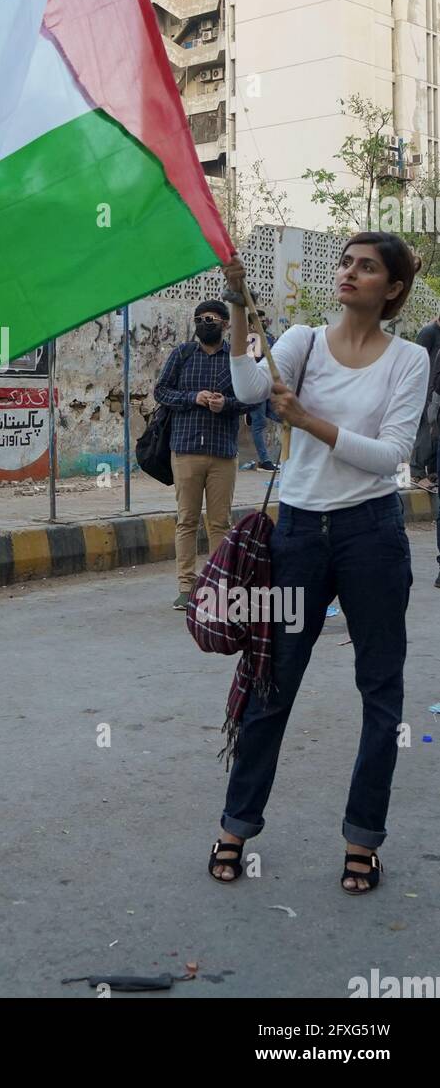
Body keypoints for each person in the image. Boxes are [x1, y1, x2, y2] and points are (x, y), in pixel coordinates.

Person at [211, 234, 427, 894]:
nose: (348, 273)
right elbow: (248, 383)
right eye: (345, 262)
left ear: (390, 288)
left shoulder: (407, 360)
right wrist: (240, 304)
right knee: (272, 683)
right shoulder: (301, 341)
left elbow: (389, 455)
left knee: (380, 691)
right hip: (297, 534)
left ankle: (361, 838)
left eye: (365, 267)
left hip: (370, 533)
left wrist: (307, 422)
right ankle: (234, 825)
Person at [155, 299, 252, 611]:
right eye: (199, 319)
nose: (203, 324)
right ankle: (186, 586)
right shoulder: (182, 355)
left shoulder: (236, 359)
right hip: (185, 450)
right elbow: (161, 391)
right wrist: (191, 398)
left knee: (220, 523)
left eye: (210, 319)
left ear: (225, 324)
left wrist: (227, 404)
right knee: (186, 520)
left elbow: (251, 398)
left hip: (223, 452)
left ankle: (218, 586)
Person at [246, 308, 281, 472]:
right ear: (251, 324)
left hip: (270, 386)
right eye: (259, 320)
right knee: (259, 423)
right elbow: (252, 361)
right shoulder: (253, 339)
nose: (263, 322)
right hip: (258, 386)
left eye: (263, 319)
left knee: (281, 417)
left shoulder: (269, 338)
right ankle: (265, 460)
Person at [412, 313, 440, 489]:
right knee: (425, 431)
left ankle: (431, 473)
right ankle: (416, 472)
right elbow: (416, 361)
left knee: (435, 434)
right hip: (426, 391)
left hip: (436, 391)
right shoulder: (429, 332)